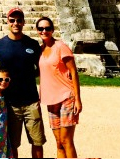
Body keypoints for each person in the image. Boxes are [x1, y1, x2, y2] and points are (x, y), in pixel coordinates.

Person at [0, 7, 47, 158]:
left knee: (37, 141)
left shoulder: (32, 44)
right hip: (10, 103)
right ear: (8, 22)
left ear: (23, 22)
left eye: (19, 20)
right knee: (12, 143)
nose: (15, 23)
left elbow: (43, 67)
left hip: (31, 100)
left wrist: (31, 75)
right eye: (12, 20)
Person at [36, 16, 82, 158]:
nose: (44, 31)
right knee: (58, 142)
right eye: (41, 28)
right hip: (51, 99)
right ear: (37, 30)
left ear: (52, 30)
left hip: (66, 97)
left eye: (47, 28)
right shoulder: (41, 49)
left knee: (66, 140)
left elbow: (74, 73)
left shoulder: (61, 47)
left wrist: (78, 99)